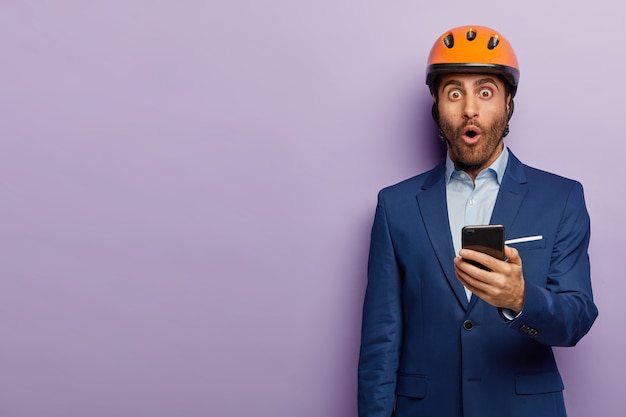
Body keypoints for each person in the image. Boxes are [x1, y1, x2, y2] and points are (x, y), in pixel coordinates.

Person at [357, 25, 598, 417]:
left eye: (485, 92)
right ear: (436, 105)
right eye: (454, 93)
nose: (470, 108)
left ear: (507, 105)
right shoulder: (395, 206)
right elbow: (381, 343)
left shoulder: (562, 198)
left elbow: (576, 320)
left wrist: (521, 300)